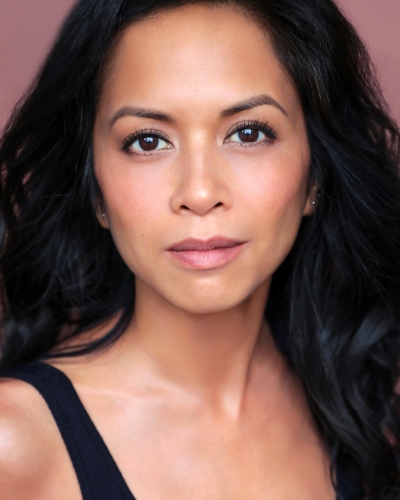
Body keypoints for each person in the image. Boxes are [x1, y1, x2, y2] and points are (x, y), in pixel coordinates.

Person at [0, 0, 399, 498]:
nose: (200, 192)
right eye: (148, 141)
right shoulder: (15, 443)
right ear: (96, 191)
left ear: (315, 176)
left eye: (248, 133)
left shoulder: (367, 402)